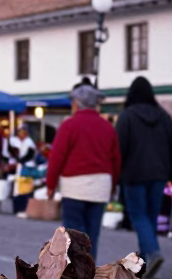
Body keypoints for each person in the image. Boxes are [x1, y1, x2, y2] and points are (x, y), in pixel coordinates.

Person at [115, 76, 172, 277]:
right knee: (150, 216)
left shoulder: (127, 117)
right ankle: (145, 259)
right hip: (159, 175)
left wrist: (117, 175)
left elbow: (119, 149)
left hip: (134, 174)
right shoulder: (164, 117)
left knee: (138, 216)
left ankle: (152, 253)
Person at [46, 79, 121, 261]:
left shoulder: (69, 125)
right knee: (92, 235)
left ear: (76, 103)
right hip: (100, 186)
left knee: (73, 236)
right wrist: (112, 187)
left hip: (75, 186)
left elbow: (57, 157)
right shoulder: (107, 127)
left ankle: (77, 275)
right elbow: (116, 160)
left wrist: (50, 184)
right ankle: (89, 272)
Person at [8, 124, 38, 217]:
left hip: (26, 167)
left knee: (24, 189)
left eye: (23, 132)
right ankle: (16, 208)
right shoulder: (14, 141)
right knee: (16, 188)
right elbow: (10, 150)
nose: (21, 134)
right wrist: (16, 158)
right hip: (17, 167)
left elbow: (30, 154)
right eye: (20, 132)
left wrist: (21, 161)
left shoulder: (29, 142)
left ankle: (23, 208)